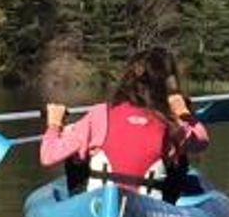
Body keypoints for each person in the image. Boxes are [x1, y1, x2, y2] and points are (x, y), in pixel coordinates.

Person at [40, 47, 209, 203]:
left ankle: (79, 202)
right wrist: (183, 113)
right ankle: (169, 207)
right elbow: (201, 141)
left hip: (97, 203)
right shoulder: (170, 123)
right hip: (151, 207)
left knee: (77, 154)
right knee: (180, 157)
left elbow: (48, 156)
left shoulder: (99, 114)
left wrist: (55, 123)